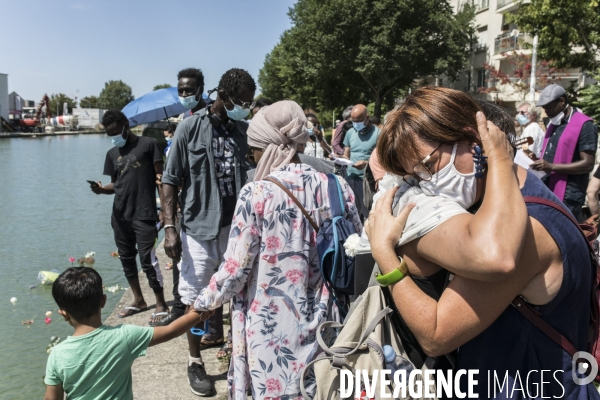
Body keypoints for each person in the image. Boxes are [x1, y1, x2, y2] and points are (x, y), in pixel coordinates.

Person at [367, 86, 598, 398]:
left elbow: (436, 334)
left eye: (429, 164)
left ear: (474, 140)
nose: (428, 183)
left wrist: (384, 253)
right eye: (416, 175)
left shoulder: (524, 233)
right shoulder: (515, 197)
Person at [194, 100, 362, 399]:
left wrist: (201, 304)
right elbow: (357, 248)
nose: (253, 155)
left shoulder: (256, 194)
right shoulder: (338, 186)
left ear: (270, 147)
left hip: (272, 326)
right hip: (329, 320)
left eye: (254, 148)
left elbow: (235, 271)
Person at [161, 68, 256, 396]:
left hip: (237, 228)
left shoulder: (244, 130)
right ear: (224, 96)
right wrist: (170, 227)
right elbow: (170, 179)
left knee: (238, 294)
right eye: (243, 101)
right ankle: (194, 359)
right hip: (199, 229)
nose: (247, 107)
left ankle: (235, 353)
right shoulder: (189, 128)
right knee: (197, 298)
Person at [44, 267, 211, 400]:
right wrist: (197, 314)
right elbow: (170, 331)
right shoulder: (124, 337)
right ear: (103, 301)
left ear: (63, 313)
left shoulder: (57, 355)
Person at [90, 110, 168, 320]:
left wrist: (164, 212)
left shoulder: (149, 144)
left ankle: (161, 303)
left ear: (126, 125)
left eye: (116, 131)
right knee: (126, 258)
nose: (114, 136)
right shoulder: (112, 154)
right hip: (120, 215)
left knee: (147, 260)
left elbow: (160, 179)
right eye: (110, 134)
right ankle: (139, 299)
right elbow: (116, 184)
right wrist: (101, 189)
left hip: (144, 214)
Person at [531, 84, 598, 221]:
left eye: (549, 107)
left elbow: (588, 164)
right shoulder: (554, 124)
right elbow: (551, 156)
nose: (546, 111)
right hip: (548, 187)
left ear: (562, 101)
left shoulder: (585, 125)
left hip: (569, 195)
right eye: (544, 108)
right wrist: (536, 160)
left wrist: (551, 166)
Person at [341, 104, 380, 219]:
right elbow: (346, 153)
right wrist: (342, 158)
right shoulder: (350, 133)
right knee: (352, 213)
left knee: (367, 213)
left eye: (358, 121)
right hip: (350, 177)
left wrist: (366, 163)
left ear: (367, 117)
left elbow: (382, 159)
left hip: (367, 181)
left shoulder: (378, 134)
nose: (355, 124)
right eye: (353, 121)